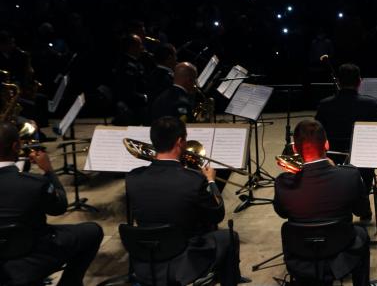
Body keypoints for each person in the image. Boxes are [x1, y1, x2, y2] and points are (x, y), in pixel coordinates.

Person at [126, 116, 240, 286]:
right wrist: (210, 181)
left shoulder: (132, 178)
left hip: (146, 259)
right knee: (230, 237)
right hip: (183, 260)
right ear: (180, 142)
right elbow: (217, 214)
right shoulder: (193, 180)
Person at [0, 121, 103, 286]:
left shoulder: (30, 182)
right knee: (92, 231)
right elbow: (59, 208)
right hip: (34, 254)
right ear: (15, 146)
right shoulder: (34, 183)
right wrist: (48, 171)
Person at [273, 119, 371, 286]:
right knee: (361, 233)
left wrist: (294, 173)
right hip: (340, 252)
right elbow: (362, 210)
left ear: (295, 149)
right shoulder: (350, 176)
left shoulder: (283, 182)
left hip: (300, 255)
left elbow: (282, 212)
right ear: (326, 145)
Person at [315, 63, 377, 153]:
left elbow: (317, 133)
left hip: (333, 157)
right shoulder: (372, 104)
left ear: (338, 81)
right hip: (363, 156)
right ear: (359, 82)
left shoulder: (324, 104)